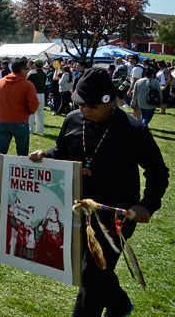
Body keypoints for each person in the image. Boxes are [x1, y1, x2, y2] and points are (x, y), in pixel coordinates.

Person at [29, 67, 169, 317]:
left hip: (114, 216)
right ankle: (119, 304)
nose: (84, 110)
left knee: (90, 275)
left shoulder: (133, 130)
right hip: (76, 209)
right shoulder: (73, 119)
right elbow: (63, 149)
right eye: (80, 104)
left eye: (91, 106)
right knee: (91, 270)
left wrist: (148, 205)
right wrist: (45, 155)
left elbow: (158, 172)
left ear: (110, 101)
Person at [0, 59, 38, 190]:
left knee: (0, 149)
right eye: (26, 69)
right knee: (22, 152)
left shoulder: (1, 82)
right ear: (22, 70)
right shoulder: (27, 85)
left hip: (3, 121)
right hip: (21, 122)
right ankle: (21, 179)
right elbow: (34, 105)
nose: (28, 71)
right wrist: (28, 113)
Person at [26, 59, 47, 135]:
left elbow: (26, 83)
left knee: (31, 113)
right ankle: (40, 130)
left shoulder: (33, 74)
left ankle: (31, 129)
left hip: (34, 94)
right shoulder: (44, 74)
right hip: (42, 94)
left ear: (35, 65)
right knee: (40, 113)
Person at [126, 55, 144, 119]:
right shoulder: (141, 66)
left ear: (134, 60)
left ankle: (139, 122)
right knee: (135, 107)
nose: (129, 61)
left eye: (130, 59)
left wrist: (130, 90)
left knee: (136, 108)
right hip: (141, 88)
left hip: (136, 89)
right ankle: (134, 120)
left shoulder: (136, 69)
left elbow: (135, 81)